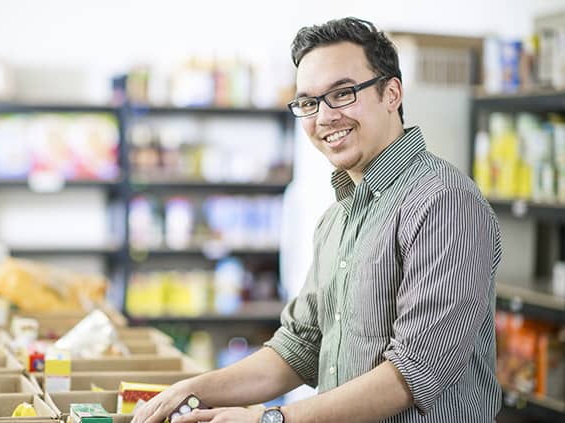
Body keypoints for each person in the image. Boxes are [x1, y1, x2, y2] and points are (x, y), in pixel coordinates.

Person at [133, 17, 502, 423]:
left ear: (391, 93)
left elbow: (414, 373)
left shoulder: (444, 202)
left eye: (342, 94)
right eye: (308, 102)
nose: (323, 118)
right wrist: (193, 389)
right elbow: (298, 348)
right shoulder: (337, 219)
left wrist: (268, 419)